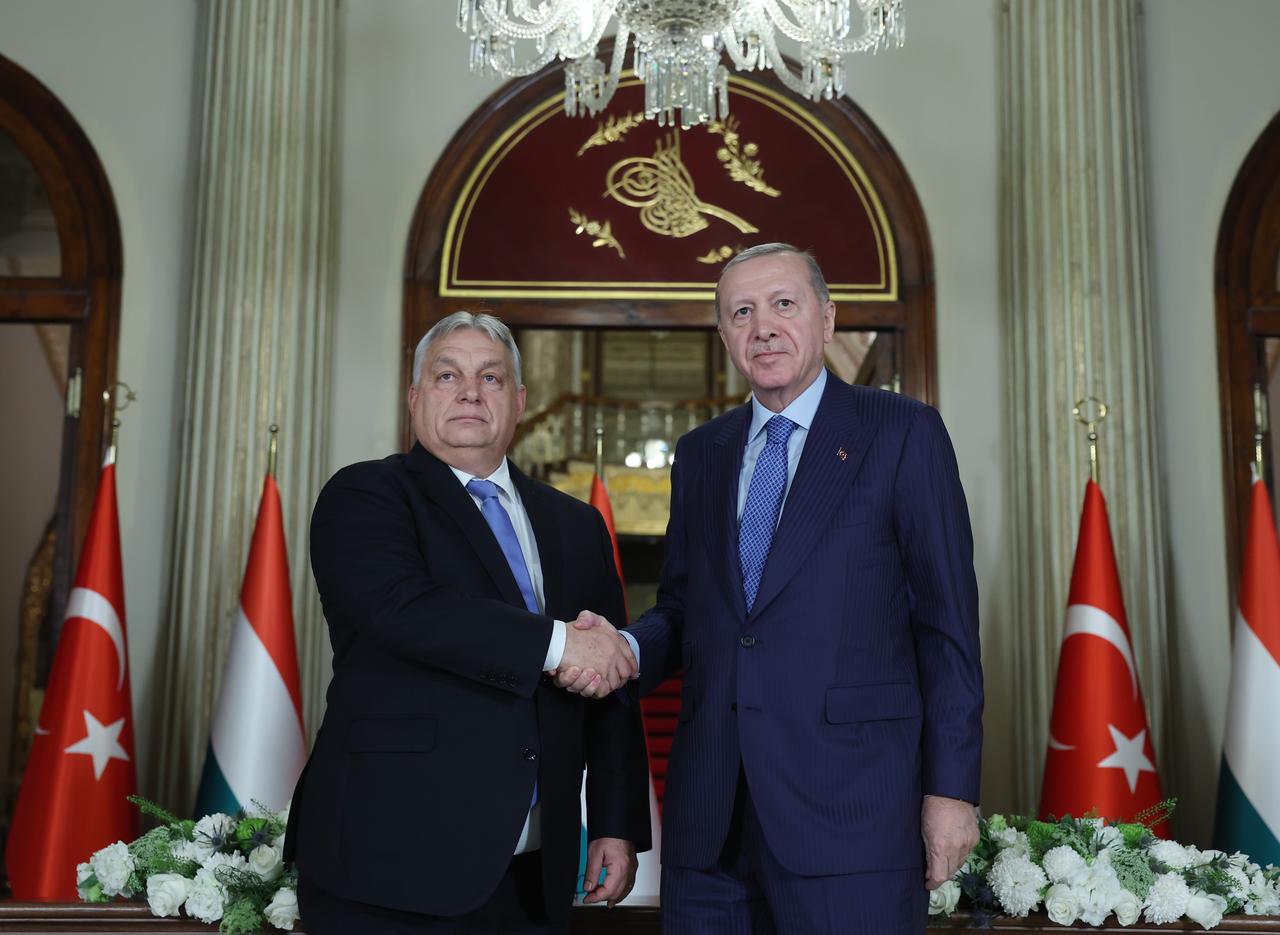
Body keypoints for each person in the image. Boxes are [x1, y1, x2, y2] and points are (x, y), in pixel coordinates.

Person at [559, 244, 983, 933]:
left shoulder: (901, 431)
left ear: (826, 316)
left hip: (852, 816)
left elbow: (948, 627)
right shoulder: (703, 452)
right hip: (710, 821)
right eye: (741, 312)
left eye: (783, 304)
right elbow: (686, 606)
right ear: (725, 334)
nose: (763, 326)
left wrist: (951, 790)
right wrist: (629, 646)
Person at [285, 311, 651, 934]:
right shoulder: (366, 495)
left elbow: (609, 683)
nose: (470, 392)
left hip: (535, 870)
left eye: (492, 377)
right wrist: (562, 643)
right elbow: (405, 608)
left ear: (519, 401)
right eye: (447, 374)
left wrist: (616, 823)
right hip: (389, 863)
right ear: (415, 397)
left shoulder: (575, 523)